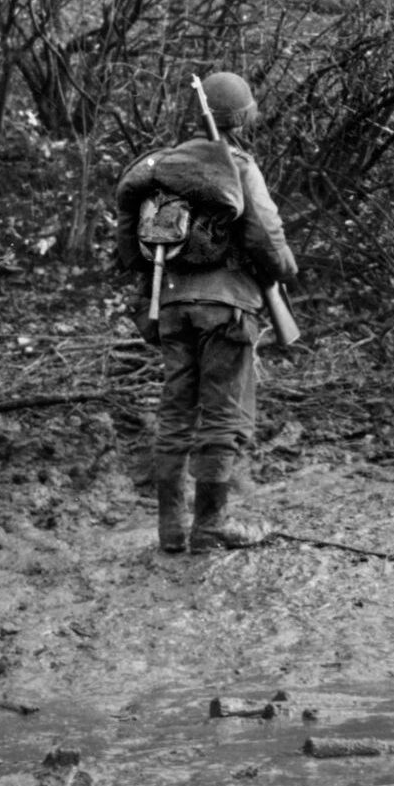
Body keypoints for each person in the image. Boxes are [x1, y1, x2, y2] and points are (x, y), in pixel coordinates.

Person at [112, 72, 297, 555]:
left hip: (169, 306)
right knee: (223, 415)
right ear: (242, 118)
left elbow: (129, 252)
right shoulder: (236, 166)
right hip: (227, 309)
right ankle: (211, 527)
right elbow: (266, 238)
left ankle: (171, 530)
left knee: (176, 413)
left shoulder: (160, 169)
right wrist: (283, 270)